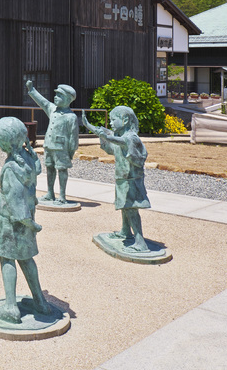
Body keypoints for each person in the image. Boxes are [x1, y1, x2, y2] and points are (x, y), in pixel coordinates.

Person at [0, 117, 52, 323]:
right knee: (26, 258)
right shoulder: (28, 158)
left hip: (12, 222)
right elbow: (37, 170)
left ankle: (10, 307)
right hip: (27, 219)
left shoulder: (11, 167)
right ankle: (40, 301)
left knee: (7, 258)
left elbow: (15, 202)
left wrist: (29, 223)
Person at [82, 106, 151, 253]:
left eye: (113, 120)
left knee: (131, 209)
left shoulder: (130, 137)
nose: (111, 123)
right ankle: (126, 231)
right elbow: (107, 134)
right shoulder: (121, 136)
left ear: (125, 120)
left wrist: (107, 137)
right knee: (124, 206)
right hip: (123, 179)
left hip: (131, 180)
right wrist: (88, 126)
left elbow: (119, 140)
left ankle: (140, 243)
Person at [25, 82, 78, 204]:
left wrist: (71, 151)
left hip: (62, 148)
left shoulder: (71, 117)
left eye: (59, 95)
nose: (55, 97)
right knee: (49, 168)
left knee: (62, 169)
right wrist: (32, 90)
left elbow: (73, 137)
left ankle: (62, 196)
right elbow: (43, 102)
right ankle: (50, 193)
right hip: (49, 145)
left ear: (68, 99)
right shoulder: (52, 110)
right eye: (56, 94)